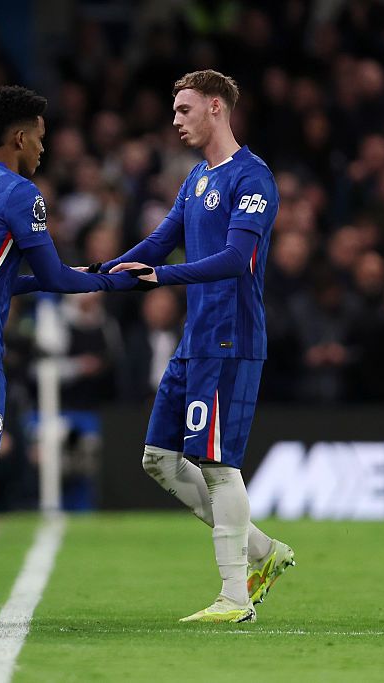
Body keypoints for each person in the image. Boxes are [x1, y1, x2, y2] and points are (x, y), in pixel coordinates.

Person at [0, 85, 138, 625]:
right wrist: (109, 282)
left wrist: (77, 277)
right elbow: (56, 276)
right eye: (39, 137)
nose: (43, 148)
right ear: (18, 137)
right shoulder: (20, 193)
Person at [97, 70, 292, 623]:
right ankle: (262, 552)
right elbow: (160, 240)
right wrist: (100, 273)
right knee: (158, 459)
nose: (176, 120)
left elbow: (236, 261)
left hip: (231, 338)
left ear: (215, 108)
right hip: (195, 340)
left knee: (216, 463)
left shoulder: (253, 179)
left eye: (184, 110)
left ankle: (236, 597)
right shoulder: (197, 179)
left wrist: (162, 277)